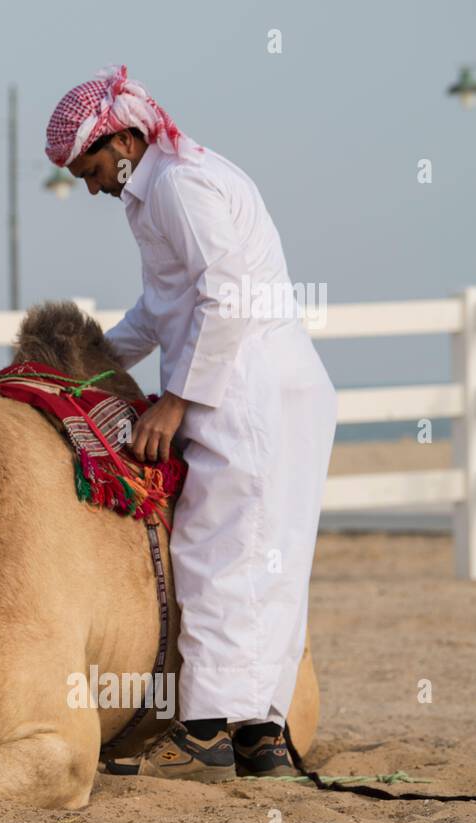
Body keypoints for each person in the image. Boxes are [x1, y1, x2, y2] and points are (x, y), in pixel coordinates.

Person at [45, 65, 337, 780]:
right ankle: (261, 737)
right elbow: (161, 310)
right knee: (269, 558)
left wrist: (174, 402)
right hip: (264, 384)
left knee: (216, 548)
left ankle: (204, 723)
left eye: (91, 167)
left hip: (248, 385)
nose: (90, 185)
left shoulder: (178, 184)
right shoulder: (158, 188)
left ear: (119, 137)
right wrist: (91, 359)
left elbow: (227, 295)